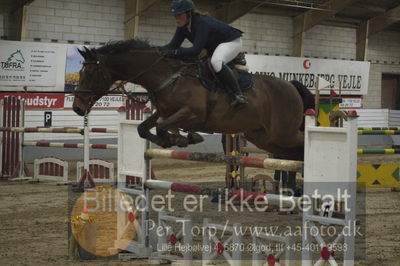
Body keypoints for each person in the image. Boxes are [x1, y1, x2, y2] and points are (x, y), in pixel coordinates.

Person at [160, 0, 248, 106]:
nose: (176, 19)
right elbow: (172, 46)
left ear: (189, 13)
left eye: (179, 15)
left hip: (231, 41)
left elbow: (195, 51)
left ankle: (238, 94)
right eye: (175, 16)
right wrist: (154, 50)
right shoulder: (182, 27)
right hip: (215, 46)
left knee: (216, 62)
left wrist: (173, 52)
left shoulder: (201, 23)